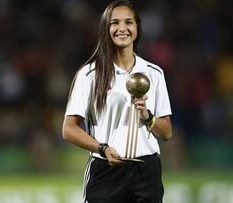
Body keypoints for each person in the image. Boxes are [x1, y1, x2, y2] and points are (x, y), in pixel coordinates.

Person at [62, 0, 172, 202]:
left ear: (137, 27)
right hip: (106, 171)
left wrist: (148, 117)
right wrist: (102, 149)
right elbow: (69, 129)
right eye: (115, 23)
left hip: (146, 173)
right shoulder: (89, 75)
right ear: (106, 28)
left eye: (128, 22)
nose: (122, 28)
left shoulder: (154, 73)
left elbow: (166, 132)